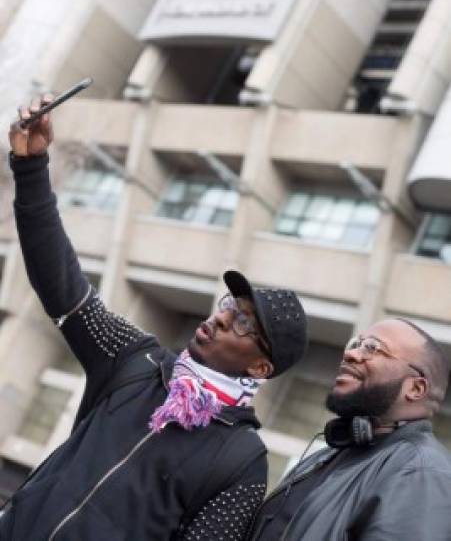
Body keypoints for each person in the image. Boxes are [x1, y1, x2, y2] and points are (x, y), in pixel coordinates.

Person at [1, 97, 308, 541]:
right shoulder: (136, 362)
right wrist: (31, 168)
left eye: (243, 324)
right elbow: (60, 284)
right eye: (227, 306)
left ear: (261, 367)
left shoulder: (241, 459)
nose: (221, 320)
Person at [249, 317, 451, 541]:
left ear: (415, 388)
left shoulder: (422, 472)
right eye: (356, 344)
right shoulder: (326, 456)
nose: (351, 354)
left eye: (373, 348)